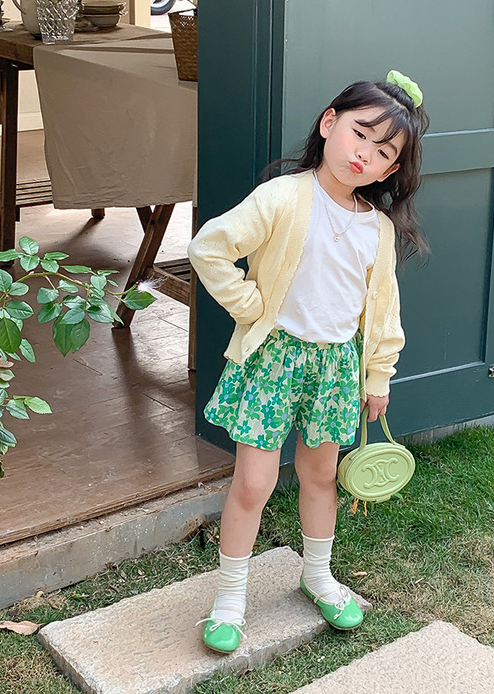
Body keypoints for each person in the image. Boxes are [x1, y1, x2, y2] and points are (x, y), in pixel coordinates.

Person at [188, 70, 429, 653]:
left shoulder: (377, 230)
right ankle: (230, 598)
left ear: (390, 171)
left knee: (321, 476)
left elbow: (383, 313)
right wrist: (249, 306)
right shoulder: (282, 197)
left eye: (383, 152)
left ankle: (317, 575)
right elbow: (209, 247)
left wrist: (378, 375)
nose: (364, 154)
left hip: (335, 370)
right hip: (273, 362)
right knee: (255, 481)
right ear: (328, 123)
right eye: (359, 134)